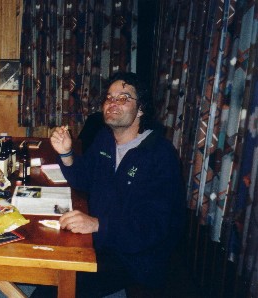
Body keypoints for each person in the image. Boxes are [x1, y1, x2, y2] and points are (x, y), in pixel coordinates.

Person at [49, 72, 185, 297]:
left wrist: (97, 225)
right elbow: (84, 179)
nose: (113, 103)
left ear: (140, 109)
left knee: (57, 287)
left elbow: (154, 227)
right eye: (109, 98)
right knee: (50, 261)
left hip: (134, 259)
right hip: (100, 241)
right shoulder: (105, 138)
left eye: (123, 98)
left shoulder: (160, 155)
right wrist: (66, 153)